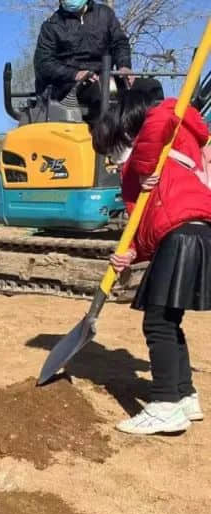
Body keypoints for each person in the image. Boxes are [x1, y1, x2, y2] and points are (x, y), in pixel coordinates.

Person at [92, 89, 211, 435]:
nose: (113, 161)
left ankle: (164, 405)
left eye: (112, 149)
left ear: (124, 132)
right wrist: (132, 253)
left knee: (157, 324)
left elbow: (166, 109)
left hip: (183, 234)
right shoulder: (161, 165)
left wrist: (143, 162)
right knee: (169, 321)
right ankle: (184, 395)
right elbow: (149, 224)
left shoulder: (159, 145)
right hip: (186, 233)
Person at [33, 0, 137, 115]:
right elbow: (43, 63)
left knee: (151, 88)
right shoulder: (51, 26)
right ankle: (105, 130)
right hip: (70, 87)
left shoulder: (105, 14)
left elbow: (120, 43)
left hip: (106, 78)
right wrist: (75, 74)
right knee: (103, 94)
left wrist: (124, 66)